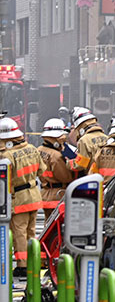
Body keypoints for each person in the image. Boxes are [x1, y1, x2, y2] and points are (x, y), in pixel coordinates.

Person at [0, 117, 42, 277]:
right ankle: (33, 263)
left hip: (19, 198)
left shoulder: (7, 155)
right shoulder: (32, 148)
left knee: (19, 233)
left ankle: (22, 266)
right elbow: (41, 170)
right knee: (31, 232)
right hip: (34, 196)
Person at [37, 119, 76, 213]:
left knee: (47, 221)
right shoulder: (56, 156)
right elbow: (65, 178)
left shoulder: (39, 150)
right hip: (57, 196)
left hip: (45, 194)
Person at [71, 106, 108, 173]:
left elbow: (80, 165)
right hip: (106, 176)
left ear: (80, 126)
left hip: (92, 177)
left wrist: (69, 163)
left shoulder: (84, 140)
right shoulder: (106, 137)